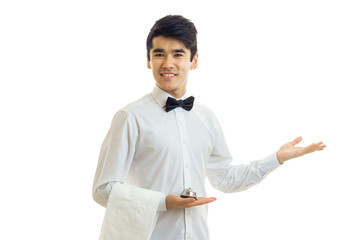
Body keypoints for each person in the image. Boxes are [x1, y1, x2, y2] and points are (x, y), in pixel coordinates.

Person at [92, 15, 326, 240]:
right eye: (159, 54)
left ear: (194, 61)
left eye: (178, 54)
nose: (168, 63)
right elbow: (103, 189)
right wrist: (164, 201)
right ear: (148, 60)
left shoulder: (206, 118)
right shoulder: (129, 117)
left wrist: (276, 158)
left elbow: (225, 178)